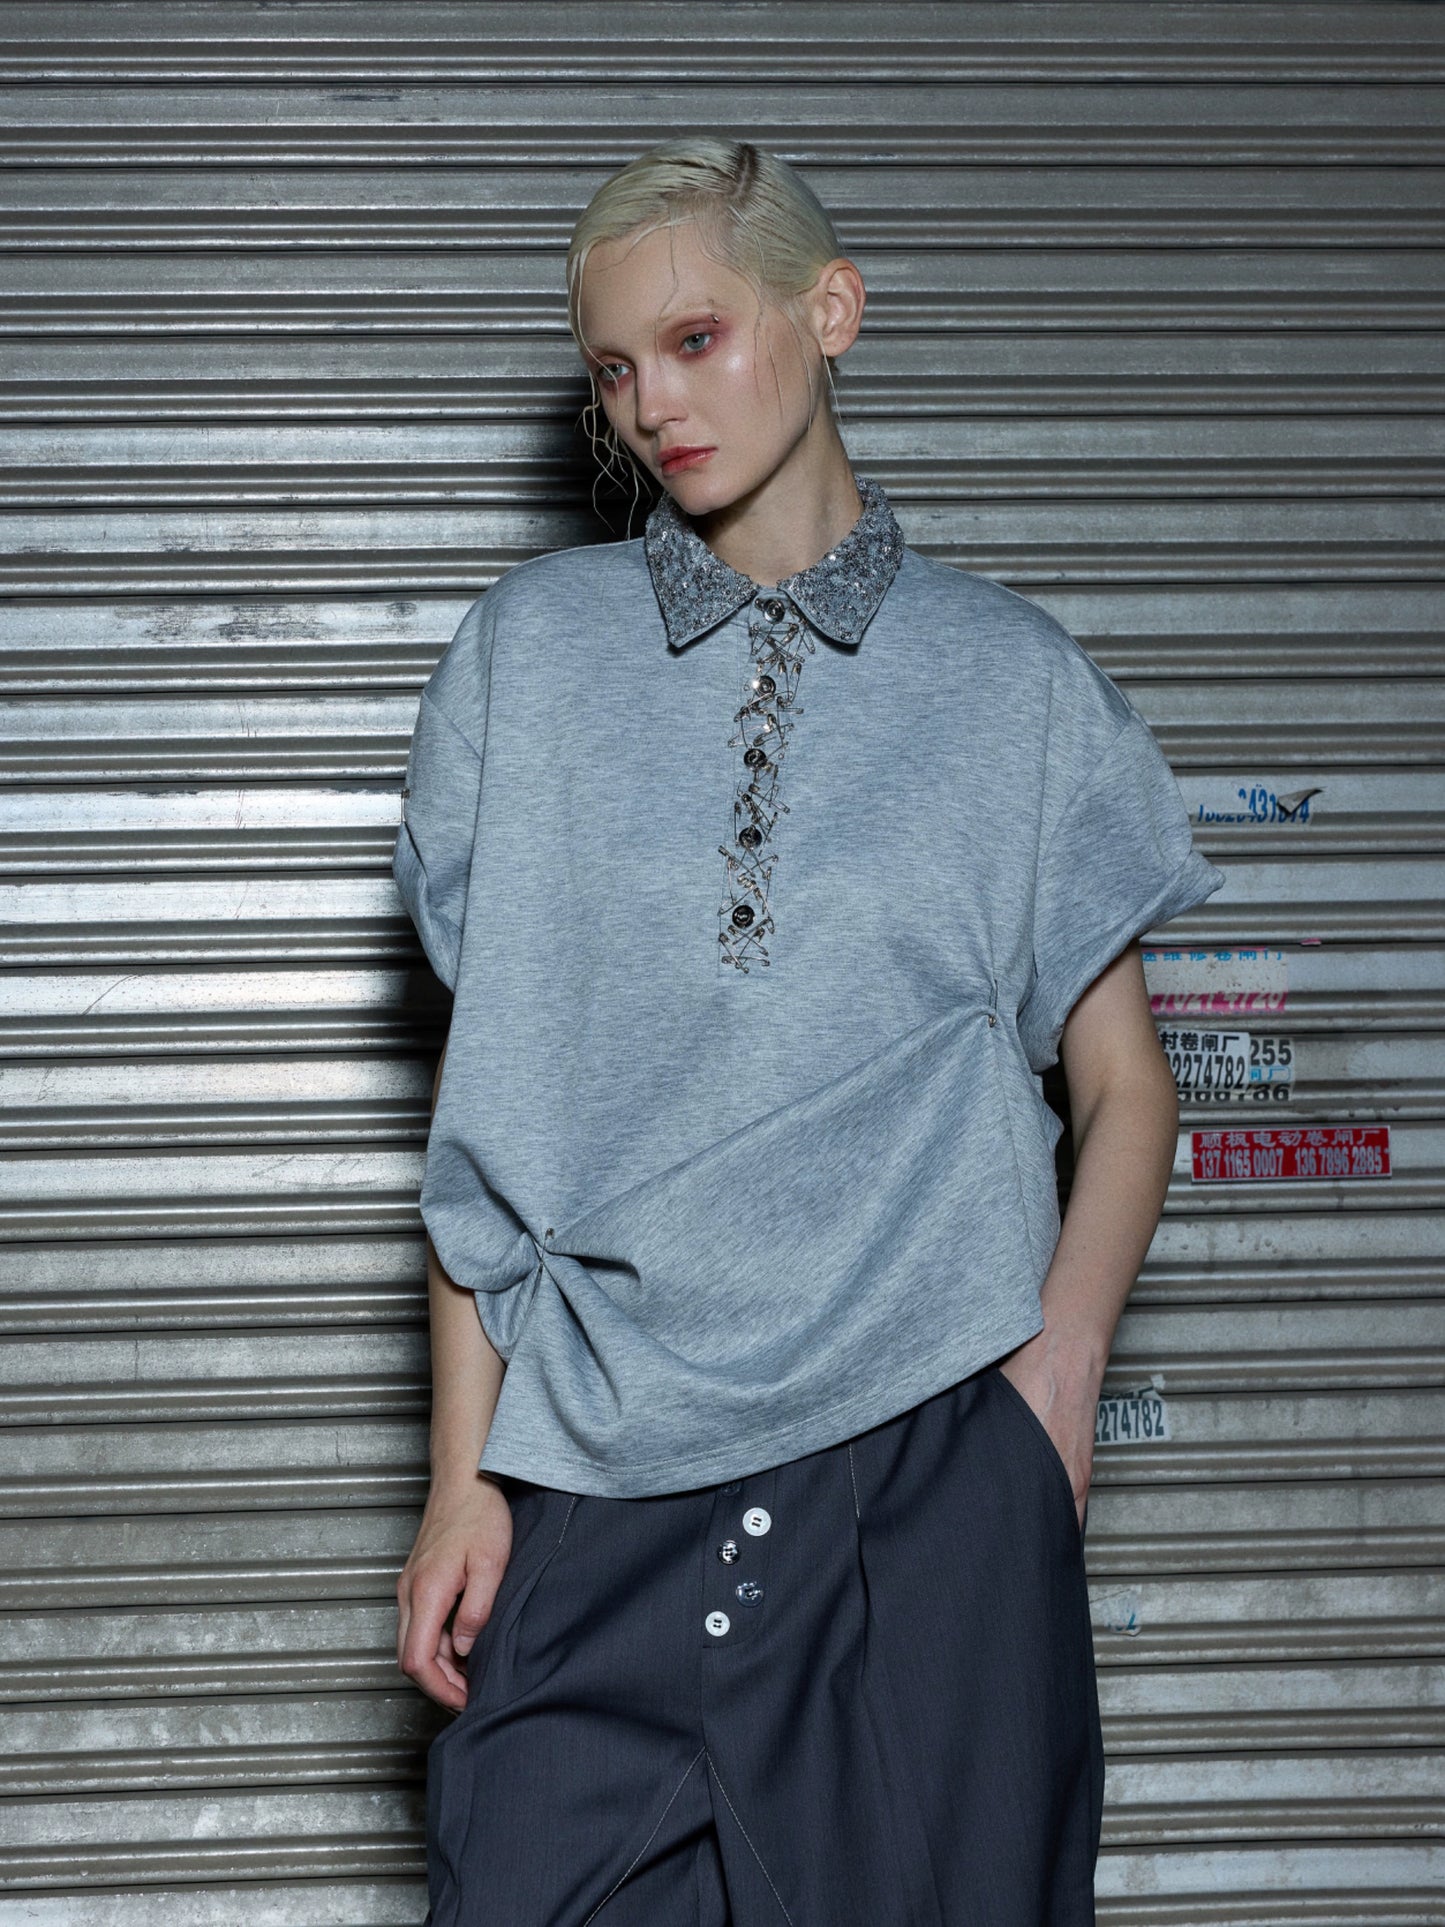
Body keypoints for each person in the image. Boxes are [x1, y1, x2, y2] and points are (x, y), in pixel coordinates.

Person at [391, 137, 1226, 1926]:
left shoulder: (1011, 685)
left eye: (696, 339)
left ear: (829, 309)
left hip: (921, 1488)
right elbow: (491, 1116)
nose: (653, 406)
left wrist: (1049, 1398)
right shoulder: (528, 661)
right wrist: (465, 1482)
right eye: (615, 368)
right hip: (591, 1481)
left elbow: (1124, 1090)